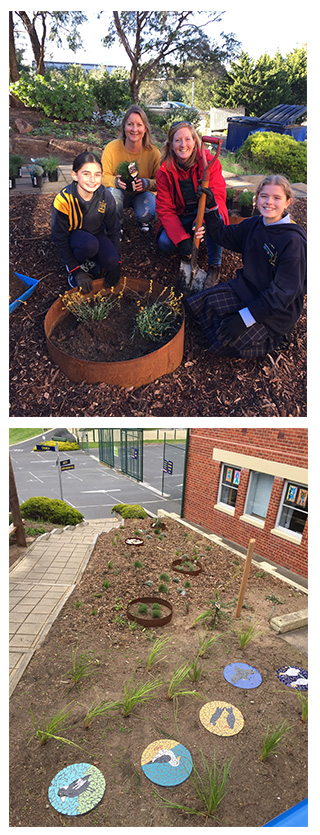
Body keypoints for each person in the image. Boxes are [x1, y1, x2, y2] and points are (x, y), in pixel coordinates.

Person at [184, 175, 307, 358]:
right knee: (198, 304)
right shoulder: (255, 224)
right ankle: (239, 317)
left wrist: (244, 319)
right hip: (247, 290)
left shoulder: (293, 242)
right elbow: (223, 235)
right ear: (257, 197)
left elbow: (282, 294)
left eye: (276, 198)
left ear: (287, 202)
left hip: (275, 313)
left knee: (224, 345)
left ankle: (276, 339)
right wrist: (210, 207)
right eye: (264, 196)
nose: (269, 202)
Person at [155, 121, 229, 287]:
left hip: (205, 215)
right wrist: (182, 240)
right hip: (181, 217)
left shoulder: (209, 164)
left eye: (188, 139)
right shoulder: (164, 171)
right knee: (166, 243)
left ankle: (214, 265)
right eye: (178, 140)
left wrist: (203, 220)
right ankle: (189, 246)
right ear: (171, 145)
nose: (183, 145)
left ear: (195, 142)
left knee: (217, 223)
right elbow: (164, 209)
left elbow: (218, 195)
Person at [51, 152, 121, 293]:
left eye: (97, 174)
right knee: (89, 245)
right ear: (75, 175)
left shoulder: (106, 196)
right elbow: (60, 238)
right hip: (75, 239)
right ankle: (79, 267)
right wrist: (76, 271)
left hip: (96, 234)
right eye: (86, 174)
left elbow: (114, 229)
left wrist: (117, 264)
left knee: (111, 261)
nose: (92, 180)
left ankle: (92, 262)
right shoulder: (63, 200)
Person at [101, 105, 161, 233]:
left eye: (139, 125)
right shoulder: (112, 148)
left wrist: (146, 183)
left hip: (141, 194)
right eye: (130, 124)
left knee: (147, 213)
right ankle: (117, 225)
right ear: (124, 126)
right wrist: (116, 182)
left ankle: (143, 220)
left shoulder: (153, 153)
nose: (134, 129)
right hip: (119, 193)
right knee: (112, 193)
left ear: (145, 128)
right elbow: (102, 176)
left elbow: (160, 181)